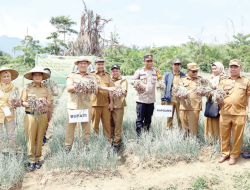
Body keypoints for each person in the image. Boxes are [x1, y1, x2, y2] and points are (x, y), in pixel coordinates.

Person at [65, 56, 114, 151]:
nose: (83, 65)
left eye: (85, 63)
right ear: (77, 64)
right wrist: (82, 86)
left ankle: (87, 148)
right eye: (81, 63)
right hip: (73, 106)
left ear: (88, 65)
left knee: (86, 130)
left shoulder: (91, 76)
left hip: (86, 106)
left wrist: (102, 88)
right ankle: (68, 148)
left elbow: (95, 89)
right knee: (70, 129)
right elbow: (69, 88)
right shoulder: (72, 75)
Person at [218, 59, 250, 165]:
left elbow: (248, 97)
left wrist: (249, 112)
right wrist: (218, 95)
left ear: (240, 68)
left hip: (239, 113)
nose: (233, 69)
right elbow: (217, 97)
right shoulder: (223, 81)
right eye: (231, 67)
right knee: (224, 135)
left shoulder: (246, 81)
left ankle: (234, 155)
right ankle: (225, 153)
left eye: (235, 67)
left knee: (237, 136)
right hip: (225, 112)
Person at [21, 67, 53, 171]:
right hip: (30, 115)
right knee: (31, 138)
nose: (38, 76)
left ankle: (38, 158)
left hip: (43, 115)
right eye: (36, 75)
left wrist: (44, 102)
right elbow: (22, 102)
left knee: (40, 137)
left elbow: (50, 103)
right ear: (32, 76)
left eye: (40, 75)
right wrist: (31, 103)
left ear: (43, 77)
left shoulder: (46, 88)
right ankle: (31, 160)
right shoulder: (27, 88)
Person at [131, 54, 163, 136]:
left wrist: (161, 83)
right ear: (144, 62)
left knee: (148, 119)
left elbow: (161, 80)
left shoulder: (156, 71)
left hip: (151, 99)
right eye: (147, 61)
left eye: (151, 61)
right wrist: (137, 83)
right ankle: (139, 136)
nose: (149, 63)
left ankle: (146, 134)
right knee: (140, 119)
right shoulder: (139, 71)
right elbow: (132, 81)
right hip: (141, 99)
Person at [91, 58, 114, 140]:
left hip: (106, 104)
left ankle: (108, 142)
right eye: (98, 64)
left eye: (102, 64)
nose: (100, 66)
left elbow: (111, 90)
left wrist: (111, 103)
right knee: (94, 125)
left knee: (107, 125)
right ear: (95, 65)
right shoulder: (91, 75)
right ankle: (95, 142)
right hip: (94, 104)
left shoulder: (108, 75)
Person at [179, 63, 203, 136]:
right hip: (184, 106)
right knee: (184, 128)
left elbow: (206, 91)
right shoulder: (183, 79)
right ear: (188, 71)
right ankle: (185, 144)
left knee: (193, 129)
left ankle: (193, 143)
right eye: (193, 71)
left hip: (194, 107)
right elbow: (179, 91)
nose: (195, 73)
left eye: (196, 71)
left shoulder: (200, 80)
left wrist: (202, 92)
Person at [205, 62, 226, 144]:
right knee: (210, 119)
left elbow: (221, 89)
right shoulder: (212, 77)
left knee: (217, 121)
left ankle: (218, 141)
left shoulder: (223, 78)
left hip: (218, 103)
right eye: (212, 69)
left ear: (220, 68)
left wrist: (211, 89)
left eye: (215, 68)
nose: (213, 70)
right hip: (210, 101)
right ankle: (210, 141)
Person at [0, 67, 19, 155]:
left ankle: (12, 153)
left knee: (11, 135)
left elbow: (18, 101)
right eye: (4, 76)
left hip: (9, 114)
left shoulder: (14, 88)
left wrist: (16, 103)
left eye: (8, 76)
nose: (7, 78)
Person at [161, 59, 185, 129]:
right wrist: (163, 98)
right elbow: (163, 87)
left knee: (180, 116)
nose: (176, 66)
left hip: (180, 99)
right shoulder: (167, 75)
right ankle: (168, 130)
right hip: (170, 98)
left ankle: (181, 131)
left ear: (180, 66)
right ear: (172, 65)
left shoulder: (183, 75)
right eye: (175, 64)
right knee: (169, 116)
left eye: (178, 64)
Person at [110, 64, 128, 152]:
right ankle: (110, 141)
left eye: (117, 71)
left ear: (119, 71)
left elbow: (123, 91)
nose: (115, 72)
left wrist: (115, 89)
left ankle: (116, 143)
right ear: (111, 72)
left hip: (119, 106)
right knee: (110, 126)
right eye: (113, 71)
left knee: (117, 126)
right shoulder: (109, 80)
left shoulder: (123, 81)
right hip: (109, 106)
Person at [42, 68, 59, 144]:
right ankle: (39, 136)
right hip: (40, 105)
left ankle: (44, 136)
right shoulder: (39, 82)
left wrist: (49, 90)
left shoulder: (52, 83)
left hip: (49, 105)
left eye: (48, 74)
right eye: (45, 73)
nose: (46, 75)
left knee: (47, 121)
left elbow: (56, 93)